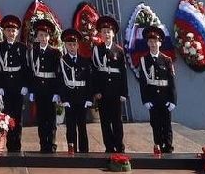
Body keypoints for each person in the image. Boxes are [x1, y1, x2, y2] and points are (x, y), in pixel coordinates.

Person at [137, 24, 177, 154]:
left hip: (165, 98)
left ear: (160, 43)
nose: (153, 44)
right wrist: (145, 100)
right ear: (147, 43)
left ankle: (168, 148)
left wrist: (173, 100)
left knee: (167, 124)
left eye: (155, 41)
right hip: (152, 99)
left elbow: (171, 82)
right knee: (155, 124)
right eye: (150, 41)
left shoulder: (166, 60)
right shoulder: (144, 60)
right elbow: (143, 83)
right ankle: (158, 146)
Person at [92, 14, 129, 153]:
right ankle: (108, 146)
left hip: (115, 92)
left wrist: (123, 93)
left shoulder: (119, 51)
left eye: (109, 32)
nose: (106, 34)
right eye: (104, 32)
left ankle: (119, 146)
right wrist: (96, 91)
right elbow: (95, 73)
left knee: (117, 121)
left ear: (113, 34)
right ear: (100, 34)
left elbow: (123, 73)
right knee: (105, 121)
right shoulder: (97, 50)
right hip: (102, 92)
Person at [0, 15, 29, 153]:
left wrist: (25, 85)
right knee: (6, 116)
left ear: (17, 32)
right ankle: (8, 144)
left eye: (13, 31)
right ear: (4, 31)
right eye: (8, 30)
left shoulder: (22, 47)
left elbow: (26, 67)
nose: (11, 33)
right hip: (5, 86)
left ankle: (17, 145)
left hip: (18, 86)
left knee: (18, 117)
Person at [29, 17, 61, 153]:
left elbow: (58, 74)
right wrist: (32, 90)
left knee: (51, 119)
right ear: (37, 36)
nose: (43, 38)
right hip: (39, 89)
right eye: (41, 35)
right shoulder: (33, 51)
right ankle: (43, 144)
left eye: (46, 35)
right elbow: (31, 72)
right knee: (41, 119)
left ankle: (51, 144)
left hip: (50, 89)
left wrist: (57, 92)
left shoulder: (55, 52)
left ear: (49, 37)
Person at [59, 27, 93, 153]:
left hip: (82, 98)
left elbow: (89, 81)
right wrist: (64, 99)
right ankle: (71, 149)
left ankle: (84, 151)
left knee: (82, 125)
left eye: (74, 44)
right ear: (65, 45)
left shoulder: (85, 61)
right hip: (69, 98)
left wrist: (89, 98)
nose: (72, 47)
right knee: (70, 126)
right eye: (69, 44)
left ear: (78, 45)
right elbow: (60, 81)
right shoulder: (62, 61)